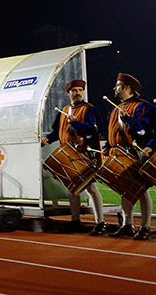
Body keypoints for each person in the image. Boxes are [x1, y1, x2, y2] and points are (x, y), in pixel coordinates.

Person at [42, 79, 105, 235]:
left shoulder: (89, 109)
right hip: (68, 155)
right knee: (72, 189)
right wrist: (47, 140)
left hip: (84, 153)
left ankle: (100, 222)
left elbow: (93, 130)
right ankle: (75, 220)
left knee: (90, 187)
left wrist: (77, 124)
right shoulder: (63, 110)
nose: (77, 93)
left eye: (80, 90)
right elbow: (58, 132)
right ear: (68, 93)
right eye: (74, 90)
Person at [103, 73, 155, 240]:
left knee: (140, 190)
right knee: (125, 190)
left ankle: (145, 227)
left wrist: (129, 120)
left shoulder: (142, 106)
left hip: (135, 152)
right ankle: (127, 225)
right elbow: (112, 132)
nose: (114, 88)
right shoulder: (113, 109)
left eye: (117, 85)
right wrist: (107, 146)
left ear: (126, 87)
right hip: (118, 153)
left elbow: (144, 131)